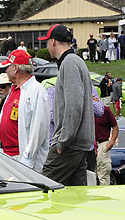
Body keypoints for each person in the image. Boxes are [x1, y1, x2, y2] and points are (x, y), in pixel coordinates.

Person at [38, 25, 94, 185]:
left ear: (53, 41)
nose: (46, 46)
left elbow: (74, 105)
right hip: (77, 144)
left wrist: (62, 142)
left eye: (47, 42)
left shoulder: (69, 63)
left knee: (45, 188)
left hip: (70, 144)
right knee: (76, 197)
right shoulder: (75, 61)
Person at [0, 49, 51, 171]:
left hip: (21, 157)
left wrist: (27, 158)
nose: (6, 70)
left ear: (16, 68)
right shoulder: (14, 89)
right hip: (7, 155)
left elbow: (38, 128)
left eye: (8, 67)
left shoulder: (36, 90)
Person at [93, 98, 118, 186]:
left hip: (103, 144)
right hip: (90, 145)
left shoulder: (105, 110)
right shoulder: (86, 111)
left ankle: (104, 196)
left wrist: (111, 142)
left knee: (103, 173)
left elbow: (115, 126)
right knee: (91, 174)